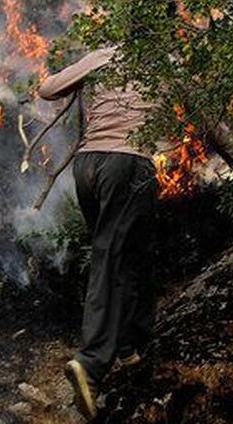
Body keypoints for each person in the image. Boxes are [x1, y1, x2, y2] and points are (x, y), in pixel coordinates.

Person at [38, 45, 163, 421]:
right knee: (113, 256)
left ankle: (128, 345)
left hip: (87, 166)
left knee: (126, 254)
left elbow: (47, 89)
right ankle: (90, 364)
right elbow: (206, 117)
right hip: (128, 164)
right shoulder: (165, 61)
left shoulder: (103, 55)